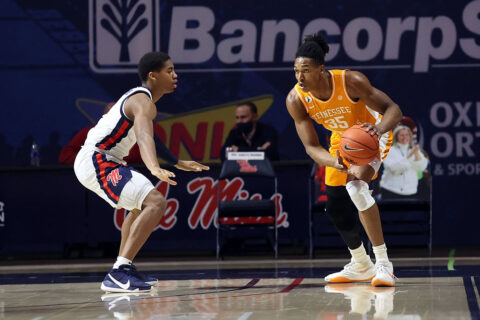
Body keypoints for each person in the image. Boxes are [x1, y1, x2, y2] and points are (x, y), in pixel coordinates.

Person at [74, 52, 209, 293]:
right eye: (169, 71)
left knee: (138, 207)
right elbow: (145, 137)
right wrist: (153, 167)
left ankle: (123, 267)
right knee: (155, 202)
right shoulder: (142, 100)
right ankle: (118, 273)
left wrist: (176, 161)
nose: (175, 75)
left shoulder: (143, 103)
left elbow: (149, 135)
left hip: (103, 159)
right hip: (96, 159)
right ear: (153, 76)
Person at [286, 34, 402, 287]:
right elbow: (310, 146)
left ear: (321, 70)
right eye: (296, 71)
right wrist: (333, 161)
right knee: (336, 206)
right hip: (344, 140)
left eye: (305, 70)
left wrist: (379, 129)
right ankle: (361, 264)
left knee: (356, 188)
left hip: (370, 134)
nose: (300, 77)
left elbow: (394, 109)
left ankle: (384, 264)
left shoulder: (350, 81)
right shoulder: (296, 99)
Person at [58, 103, 167, 165]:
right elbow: (64, 156)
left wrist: (106, 159)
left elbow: (140, 157)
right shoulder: (88, 133)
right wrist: (91, 159)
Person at [379, 125, 429, 198]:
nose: (404, 137)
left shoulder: (415, 150)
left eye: (407, 135)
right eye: (401, 135)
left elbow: (421, 167)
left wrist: (416, 153)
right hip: (390, 191)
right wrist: (410, 156)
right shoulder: (389, 151)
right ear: (396, 136)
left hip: (411, 192)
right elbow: (394, 169)